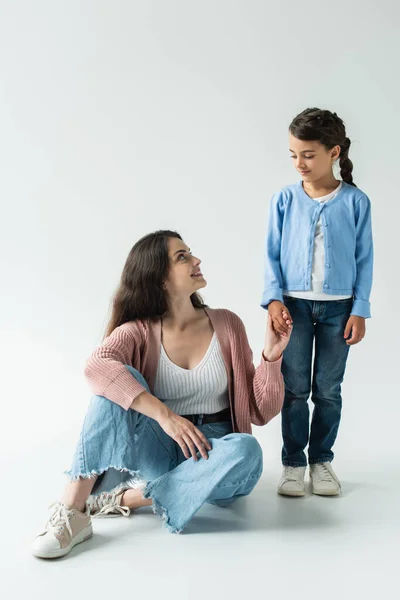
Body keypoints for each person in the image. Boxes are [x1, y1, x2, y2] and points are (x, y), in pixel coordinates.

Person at [32, 230, 291, 559]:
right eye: (182, 257)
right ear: (159, 279)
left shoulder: (227, 325)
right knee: (115, 382)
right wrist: (165, 416)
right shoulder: (137, 331)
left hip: (218, 455)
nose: (196, 260)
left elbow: (261, 410)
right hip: (160, 446)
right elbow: (96, 366)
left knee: (247, 448)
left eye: (190, 253)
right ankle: (73, 511)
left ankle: (129, 499)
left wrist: (271, 355)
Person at [261, 108, 373, 497]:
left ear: (334, 152)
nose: (299, 163)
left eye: (308, 154)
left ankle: (321, 461)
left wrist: (360, 308)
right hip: (294, 307)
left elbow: (365, 258)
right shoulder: (284, 200)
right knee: (294, 389)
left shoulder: (356, 202)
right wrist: (273, 300)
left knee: (327, 389)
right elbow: (271, 254)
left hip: (339, 309)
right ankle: (292, 465)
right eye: (293, 154)